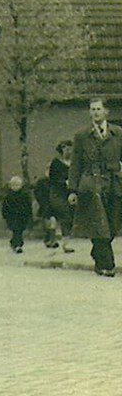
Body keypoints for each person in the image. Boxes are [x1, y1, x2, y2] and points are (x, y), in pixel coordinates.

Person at [68, 98, 122, 277]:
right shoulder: (82, 135)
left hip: (114, 182)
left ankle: (97, 251)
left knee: (114, 222)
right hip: (91, 183)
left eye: (99, 109)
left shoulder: (118, 132)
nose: (96, 112)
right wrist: (73, 190)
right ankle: (106, 264)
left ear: (106, 111)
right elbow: (75, 164)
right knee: (99, 224)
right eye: (92, 109)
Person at [49, 140, 75, 253]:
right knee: (64, 214)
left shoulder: (75, 163)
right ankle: (65, 243)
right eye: (65, 148)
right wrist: (64, 182)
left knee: (69, 217)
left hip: (70, 193)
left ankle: (60, 238)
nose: (68, 150)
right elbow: (52, 178)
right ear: (61, 150)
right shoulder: (56, 162)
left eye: (70, 147)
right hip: (57, 193)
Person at [2, 176, 32, 253]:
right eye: (13, 185)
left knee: (19, 231)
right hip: (12, 217)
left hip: (22, 216)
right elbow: (5, 206)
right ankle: (18, 245)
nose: (15, 187)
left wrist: (28, 215)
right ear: (10, 186)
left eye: (17, 185)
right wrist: (5, 215)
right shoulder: (9, 196)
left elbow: (28, 206)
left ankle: (15, 243)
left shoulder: (24, 195)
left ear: (21, 185)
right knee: (16, 230)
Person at [33, 173, 56, 248]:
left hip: (54, 205)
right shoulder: (41, 181)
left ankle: (52, 240)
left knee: (53, 221)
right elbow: (36, 192)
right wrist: (41, 201)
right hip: (45, 205)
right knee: (47, 223)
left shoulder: (56, 181)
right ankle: (48, 238)